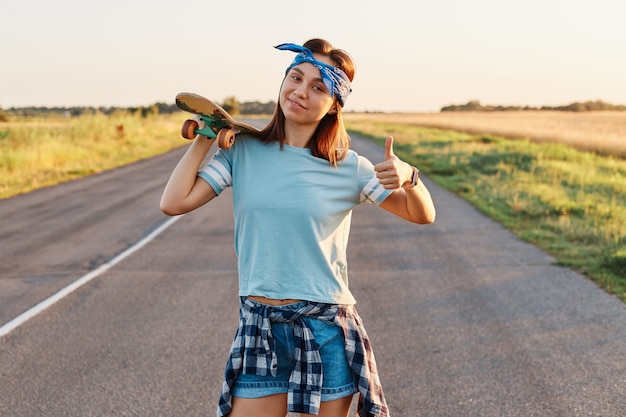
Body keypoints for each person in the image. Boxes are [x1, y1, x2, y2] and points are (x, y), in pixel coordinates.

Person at [160, 38, 436, 417]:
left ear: (334, 105)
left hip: (325, 330)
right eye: (295, 77)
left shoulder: (349, 168)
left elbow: (422, 214)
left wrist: (409, 177)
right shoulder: (243, 151)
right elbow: (173, 202)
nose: (300, 92)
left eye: (318, 87)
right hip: (260, 325)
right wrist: (206, 138)